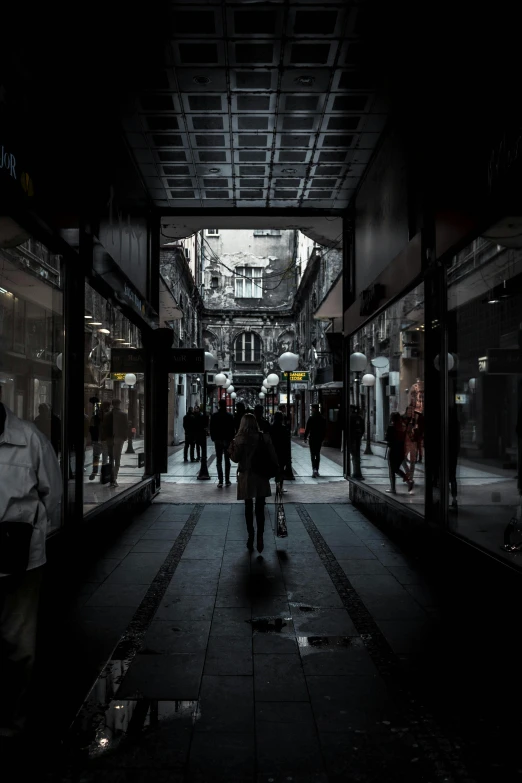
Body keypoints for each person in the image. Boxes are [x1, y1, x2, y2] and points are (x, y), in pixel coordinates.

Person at [0, 388, 62, 744]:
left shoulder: (29, 440)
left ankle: (14, 721)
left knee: (19, 644)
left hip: (20, 560)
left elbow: (51, 495)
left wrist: (32, 536)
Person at [229, 412, 278, 553]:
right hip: (261, 475)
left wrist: (231, 450)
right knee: (260, 508)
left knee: (248, 507)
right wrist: (278, 472)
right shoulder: (264, 437)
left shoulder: (239, 439)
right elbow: (273, 457)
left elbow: (236, 458)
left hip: (246, 476)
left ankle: (251, 535)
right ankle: (260, 536)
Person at [385, 412, 414, 494]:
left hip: (393, 450)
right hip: (401, 450)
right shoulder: (403, 427)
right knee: (396, 468)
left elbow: (387, 438)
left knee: (392, 469)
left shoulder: (391, 427)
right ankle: (408, 481)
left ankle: (393, 488)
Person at [210, 399, 235, 488]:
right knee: (227, 460)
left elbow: (211, 427)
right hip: (227, 440)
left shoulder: (214, 416)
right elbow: (232, 429)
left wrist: (213, 438)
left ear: (219, 405)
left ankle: (220, 480)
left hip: (217, 439)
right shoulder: (229, 416)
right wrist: (232, 438)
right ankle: (227, 480)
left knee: (219, 460)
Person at [103, 399, 128, 488]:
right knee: (117, 459)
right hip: (119, 438)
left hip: (110, 439)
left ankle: (111, 479)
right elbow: (126, 427)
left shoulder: (107, 415)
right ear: (119, 404)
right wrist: (125, 437)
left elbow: (104, 428)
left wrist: (105, 438)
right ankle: (114, 479)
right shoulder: (124, 415)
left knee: (111, 459)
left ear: (112, 404)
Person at [89, 400, 111, 481]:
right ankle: (102, 474)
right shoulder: (109, 416)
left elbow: (91, 428)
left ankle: (95, 472)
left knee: (96, 457)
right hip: (104, 440)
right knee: (104, 458)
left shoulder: (95, 417)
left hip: (98, 440)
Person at [304, 403, 327, 478]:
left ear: (314, 409)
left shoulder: (311, 418)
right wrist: (323, 438)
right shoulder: (322, 418)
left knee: (312, 454)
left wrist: (305, 437)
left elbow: (307, 428)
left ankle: (314, 469)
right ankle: (317, 469)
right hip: (319, 438)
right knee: (317, 454)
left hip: (312, 438)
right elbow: (325, 429)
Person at [270, 411, 291, 488]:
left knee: (275, 468)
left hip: (273, 450)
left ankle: (276, 482)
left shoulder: (271, 428)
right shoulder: (284, 428)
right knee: (281, 468)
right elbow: (287, 442)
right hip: (282, 451)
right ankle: (280, 486)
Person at [349, 404, 365, 479]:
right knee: (356, 455)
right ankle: (357, 472)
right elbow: (363, 429)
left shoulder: (351, 417)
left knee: (354, 456)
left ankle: (356, 473)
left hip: (352, 439)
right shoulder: (360, 417)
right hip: (357, 439)